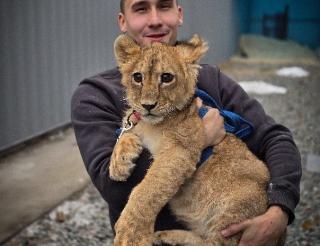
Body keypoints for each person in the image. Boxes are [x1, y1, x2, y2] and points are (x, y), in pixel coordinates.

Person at [71, 0, 301, 245]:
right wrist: (199, 140)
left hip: (226, 218)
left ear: (179, 15)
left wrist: (280, 211)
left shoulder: (211, 79)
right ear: (122, 21)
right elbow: (113, 186)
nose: (155, 19)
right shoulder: (95, 94)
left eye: (164, 6)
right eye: (140, 9)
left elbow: (275, 138)